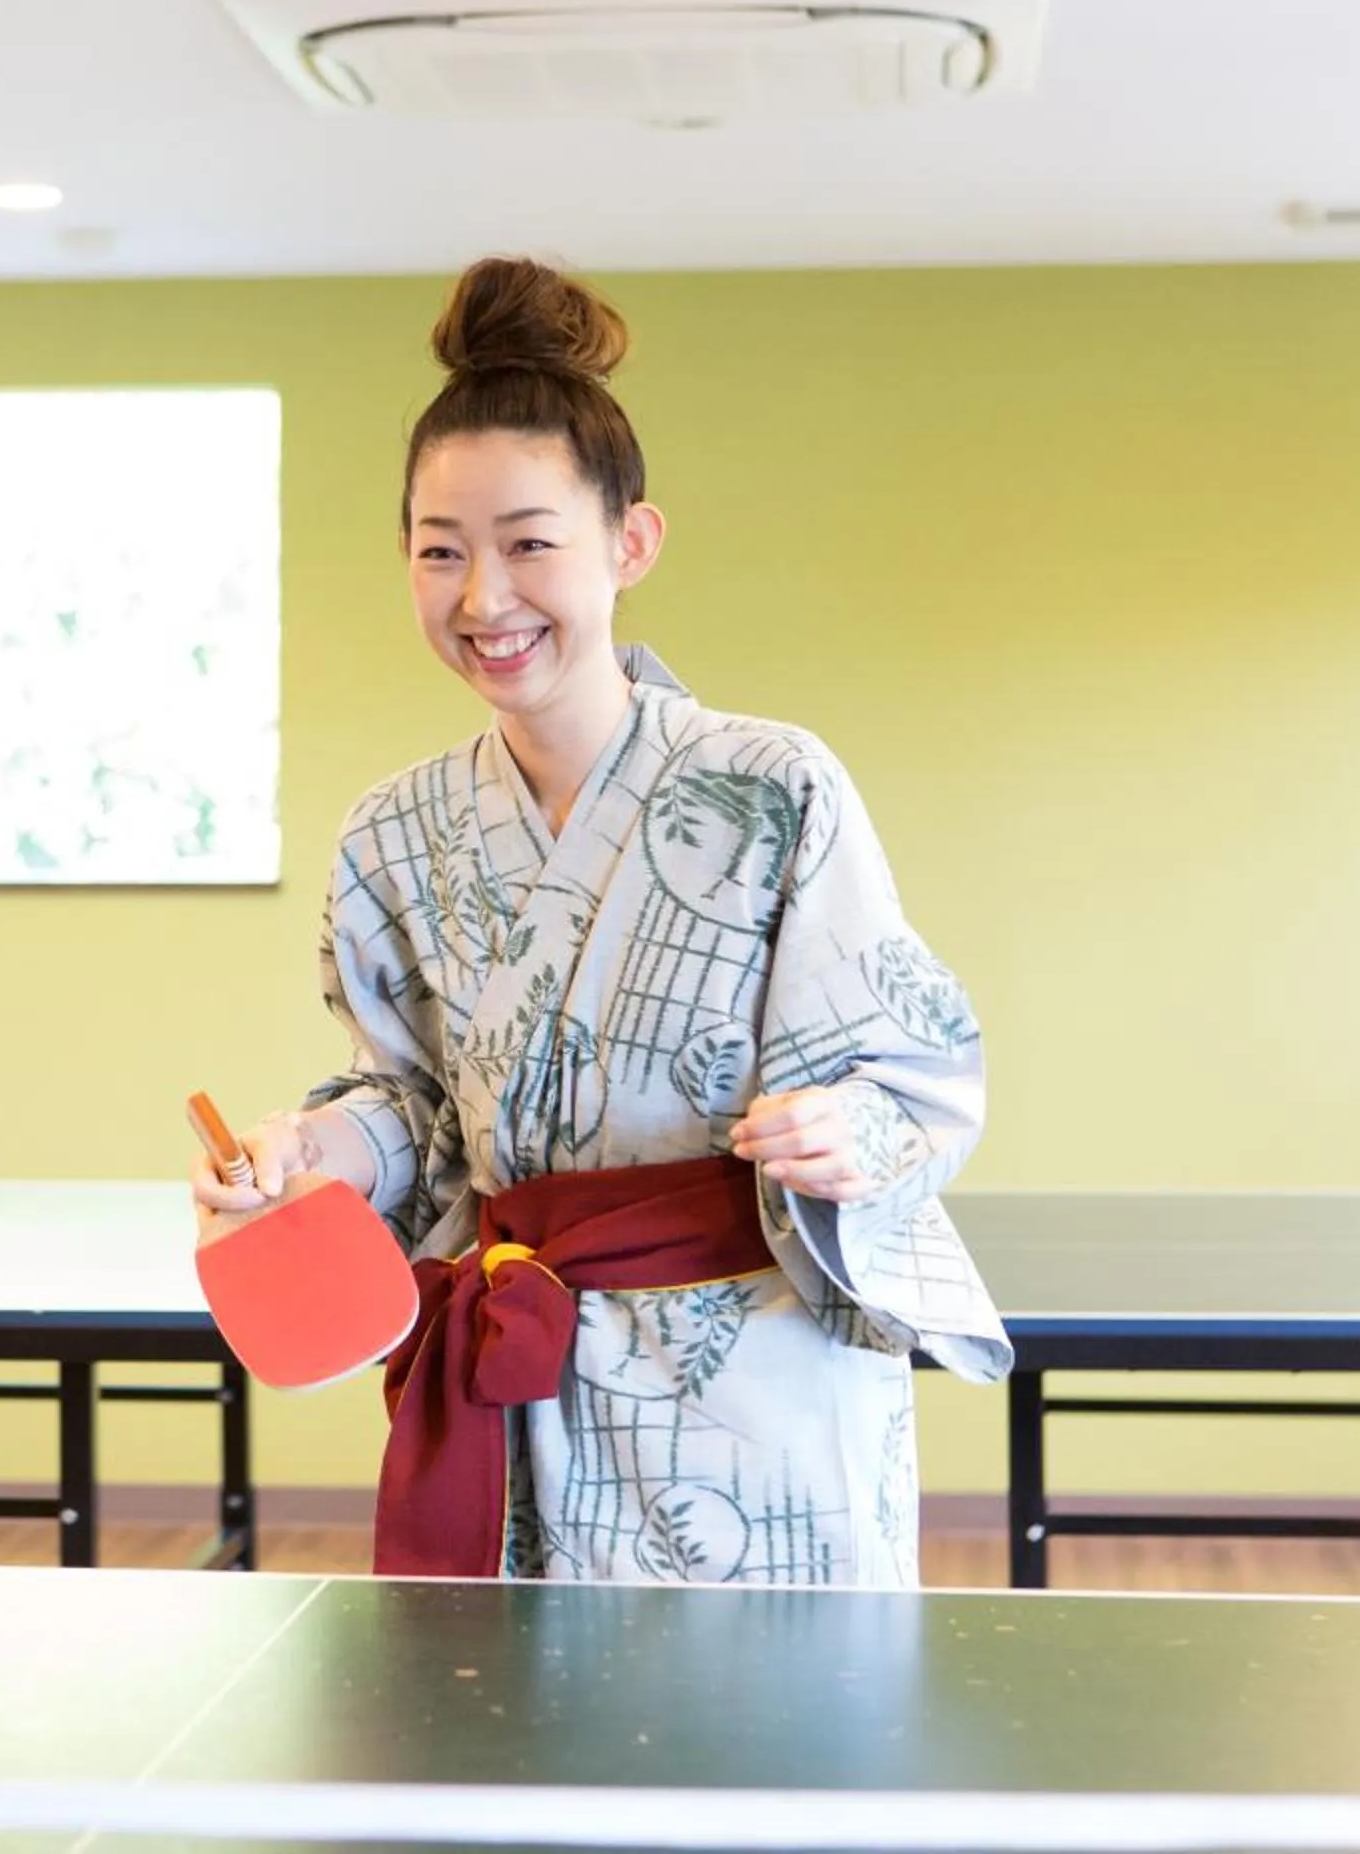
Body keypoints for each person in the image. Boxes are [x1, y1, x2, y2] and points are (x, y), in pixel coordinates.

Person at [191, 256, 1011, 1587]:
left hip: (756, 1375)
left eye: (529, 543)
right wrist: (312, 1148)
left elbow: (914, 1077)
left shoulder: (774, 785)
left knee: (778, 1761)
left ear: (629, 545)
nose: (483, 598)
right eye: (439, 551)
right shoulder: (391, 835)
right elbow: (410, 1105)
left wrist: (841, 1128)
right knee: (528, 1753)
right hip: (524, 1378)